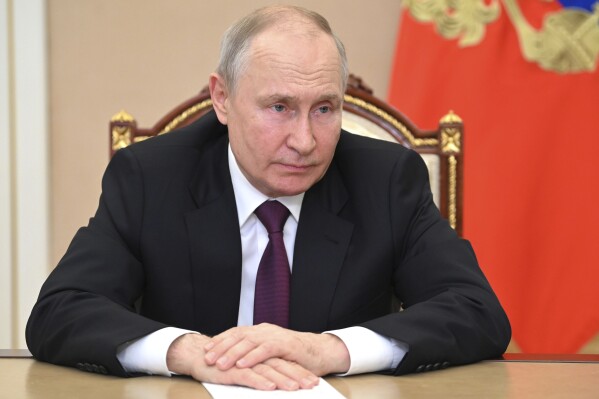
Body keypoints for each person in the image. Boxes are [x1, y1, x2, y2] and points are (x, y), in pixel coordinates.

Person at [26, 5, 510, 391]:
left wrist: (329, 351)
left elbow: (476, 311)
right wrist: (189, 353)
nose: (304, 140)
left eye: (324, 108)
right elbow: (60, 311)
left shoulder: (385, 179)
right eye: (279, 107)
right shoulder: (151, 177)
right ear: (222, 99)